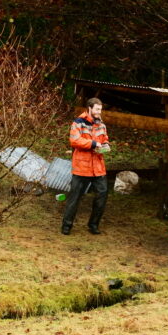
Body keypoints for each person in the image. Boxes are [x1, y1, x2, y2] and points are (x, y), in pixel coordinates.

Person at [61, 97, 110, 235]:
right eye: (97, 109)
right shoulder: (78, 122)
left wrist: (106, 145)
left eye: (100, 109)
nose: (99, 112)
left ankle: (93, 225)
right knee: (74, 198)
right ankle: (66, 225)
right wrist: (93, 144)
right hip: (82, 167)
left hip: (98, 167)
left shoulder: (102, 124)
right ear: (89, 108)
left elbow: (105, 139)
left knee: (102, 195)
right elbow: (75, 141)